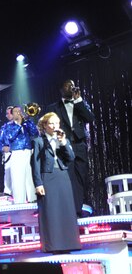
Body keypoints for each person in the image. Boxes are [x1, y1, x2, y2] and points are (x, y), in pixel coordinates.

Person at [31, 112, 82, 253]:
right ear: (45, 125)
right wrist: (38, 183)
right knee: (51, 211)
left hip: (62, 176)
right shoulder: (38, 141)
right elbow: (35, 164)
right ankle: (54, 245)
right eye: (52, 123)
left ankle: (69, 243)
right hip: (47, 177)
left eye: (57, 123)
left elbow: (71, 158)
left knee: (66, 209)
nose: (55, 126)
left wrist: (63, 142)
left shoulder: (62, 139)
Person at [45, 79, 95, 216]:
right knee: (70, 176)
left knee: (81, 176)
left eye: (73, 85)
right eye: (68, 86)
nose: (71, 88)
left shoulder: (80, 104)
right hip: (65, 145)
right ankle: (69, 209)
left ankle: (77, 209)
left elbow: (90, 118)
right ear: (61, 89)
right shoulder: (53, 107)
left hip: (79, 144)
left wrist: (78, 100)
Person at [0, 106, 38, 203]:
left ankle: (33, 199)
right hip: (16, 152)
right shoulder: (8, 126)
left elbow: (35, 133)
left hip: (28, 152)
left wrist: (28, 120)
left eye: (20, 111)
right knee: (17, 178)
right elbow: (10, 136)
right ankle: (19, 201)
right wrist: (18, 124)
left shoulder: (26, 124)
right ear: (12, 114)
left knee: (30, 177)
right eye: (16, 112)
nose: (18, 113)